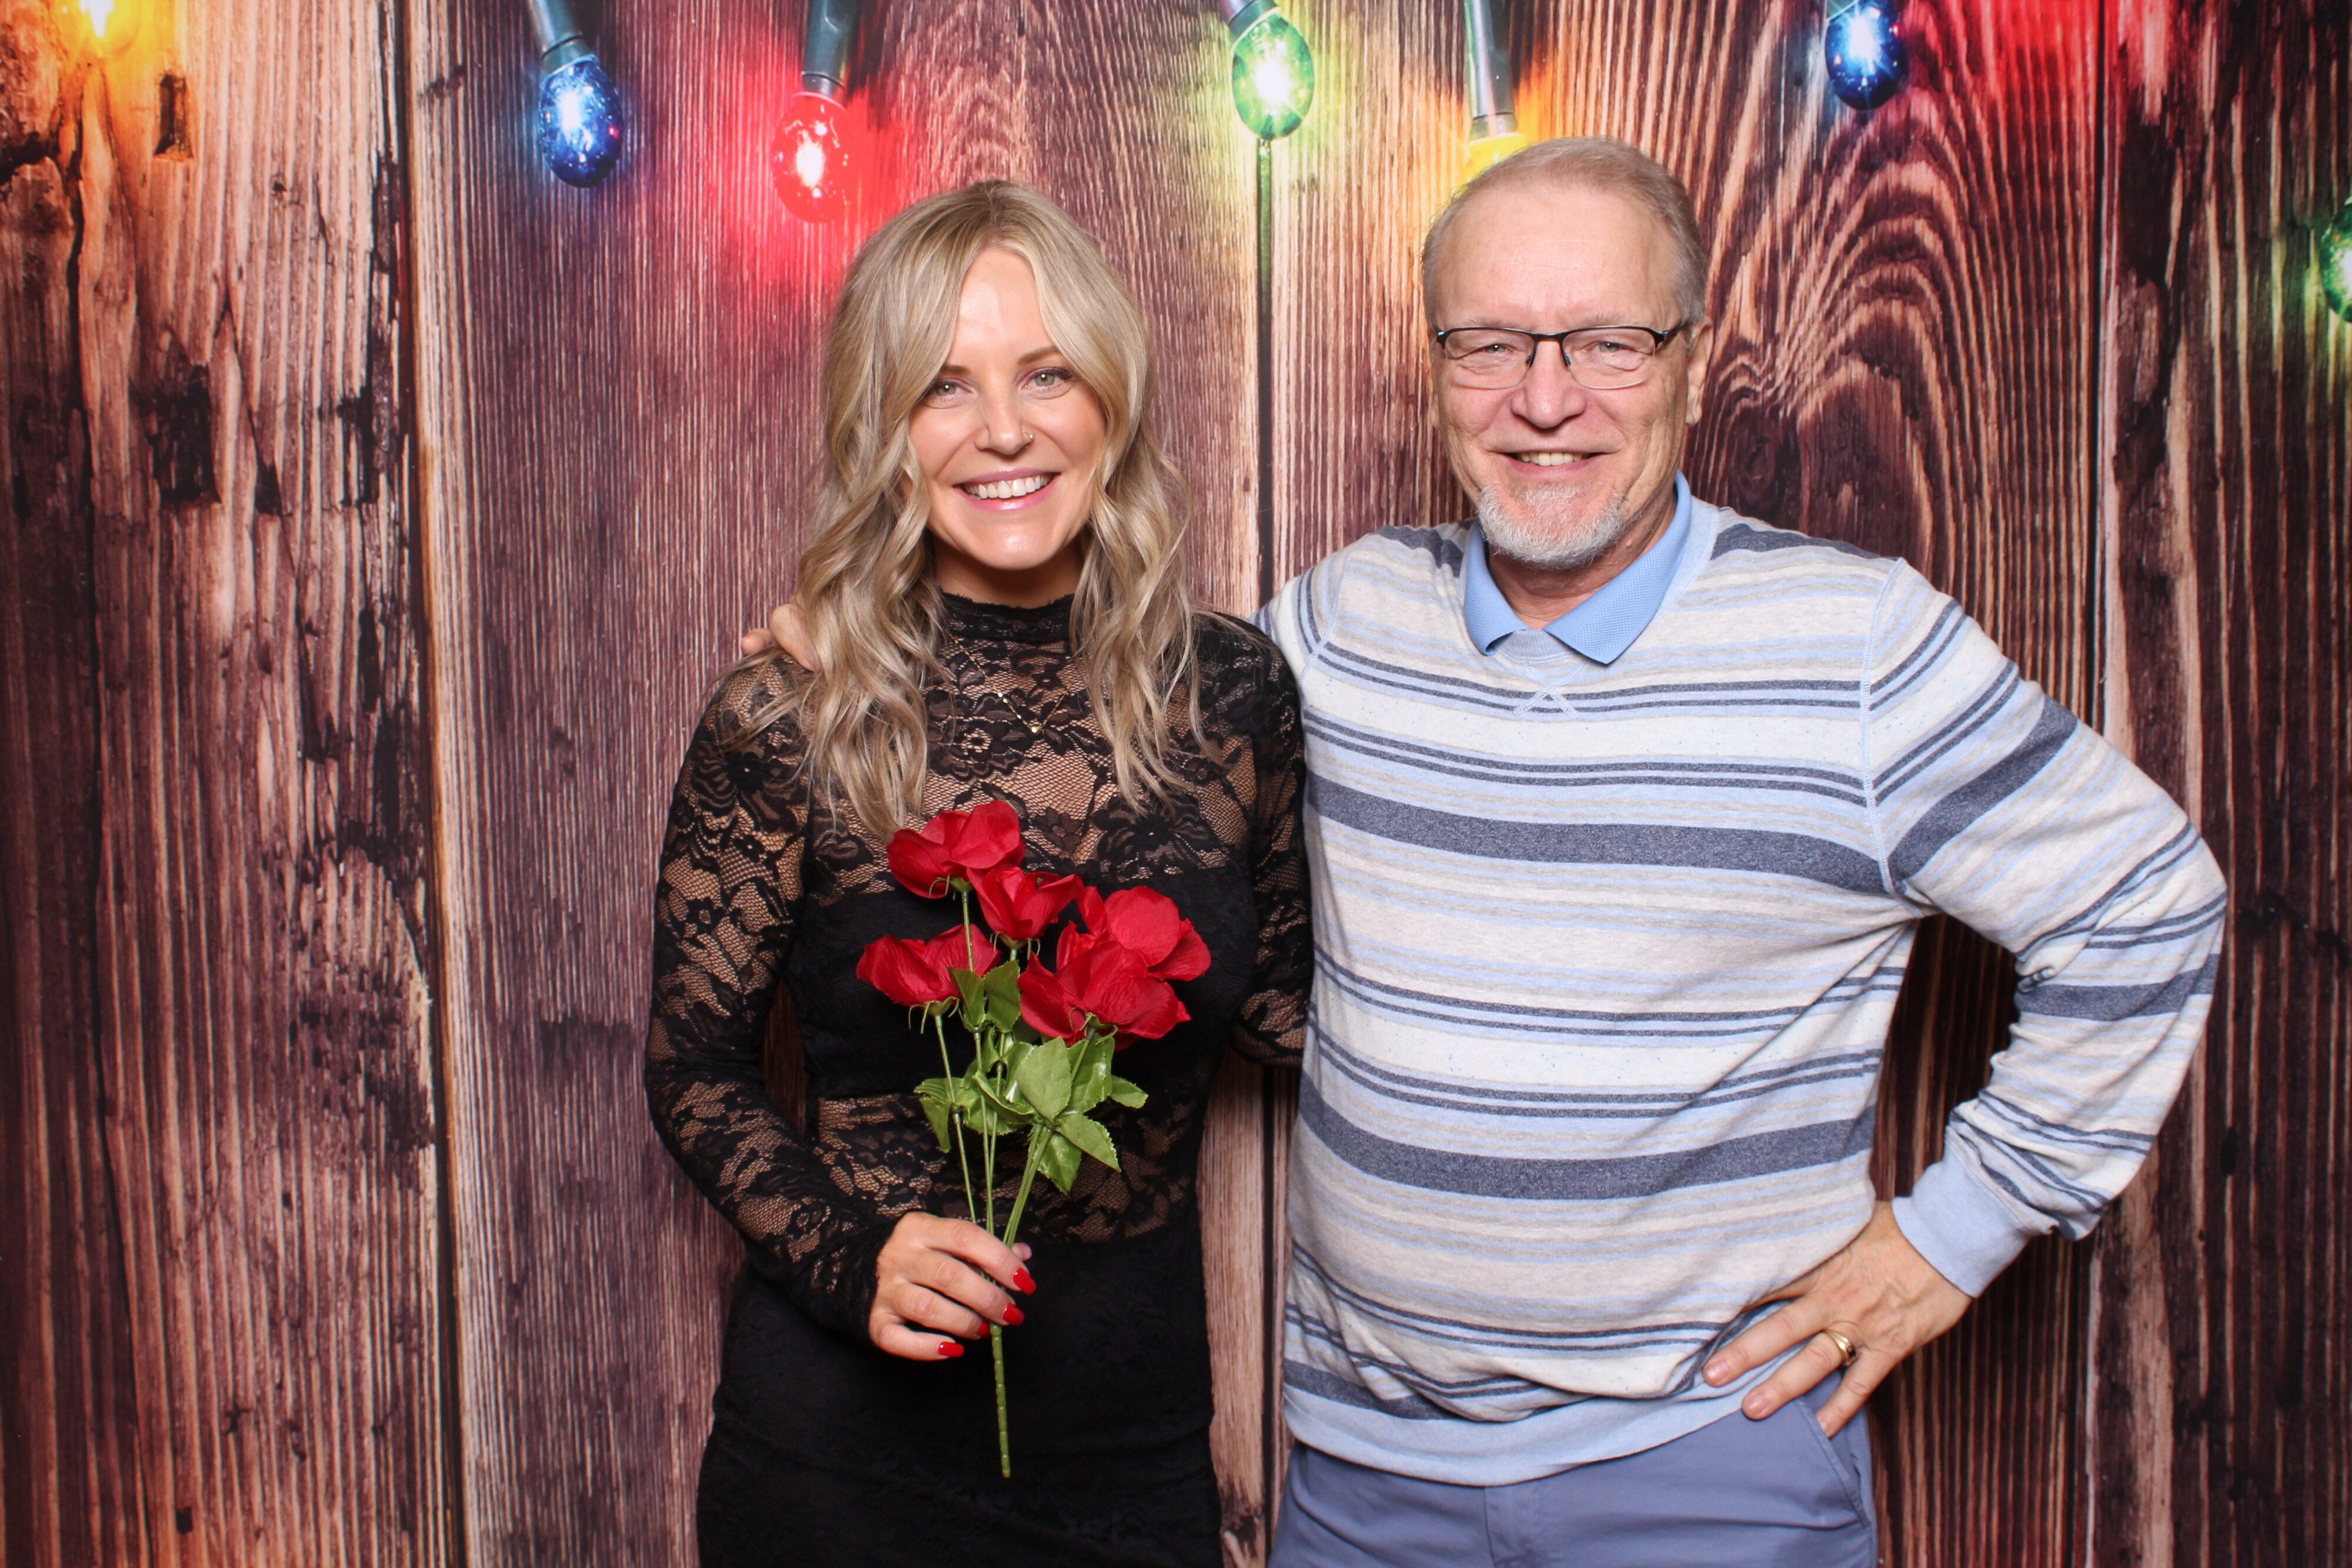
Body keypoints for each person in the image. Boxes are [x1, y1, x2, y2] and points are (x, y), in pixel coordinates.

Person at [747, 139, 2224, 1564]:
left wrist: (1948, 1237)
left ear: (1694, 360)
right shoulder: (1338, 626)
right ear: (1435, 370)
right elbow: (1105, 724)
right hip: (1364, 1480)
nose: (1544, 398)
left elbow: (2147, 908)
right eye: (1489, 345)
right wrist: (885, 636)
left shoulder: (1853, 647)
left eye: (1607, 343)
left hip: (1707, 1462)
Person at [649, 179, 1309, 1568]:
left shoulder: (1235, 695)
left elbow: (1285, 1016)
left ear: (1111, 397)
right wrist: (851, 1256)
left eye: (1045, 373)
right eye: (942, 385)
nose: (1002, 428)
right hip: (838, 1468)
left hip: (1131, 1454)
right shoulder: (792, 710)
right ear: (882, 429)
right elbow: (693, 1066)